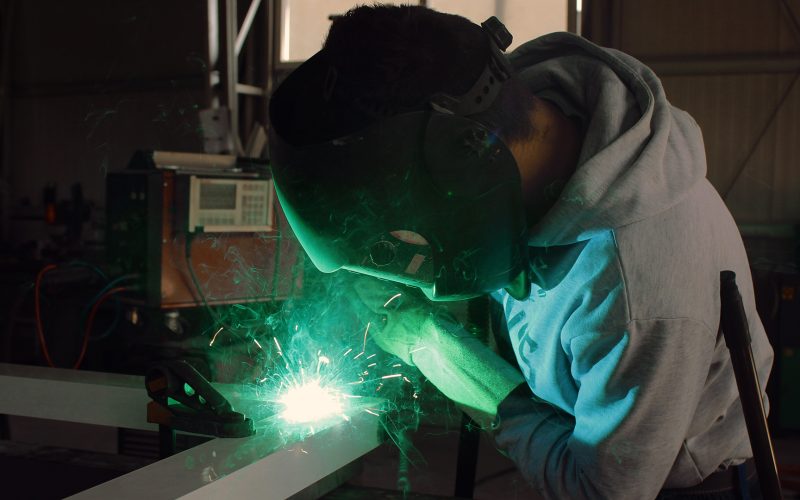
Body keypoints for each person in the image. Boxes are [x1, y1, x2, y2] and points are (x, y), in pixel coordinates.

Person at [267, 5, 774, 499]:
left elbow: (600, 490)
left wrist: (437, 349)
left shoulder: (634, 287)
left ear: (461, 166)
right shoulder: (523, 134)